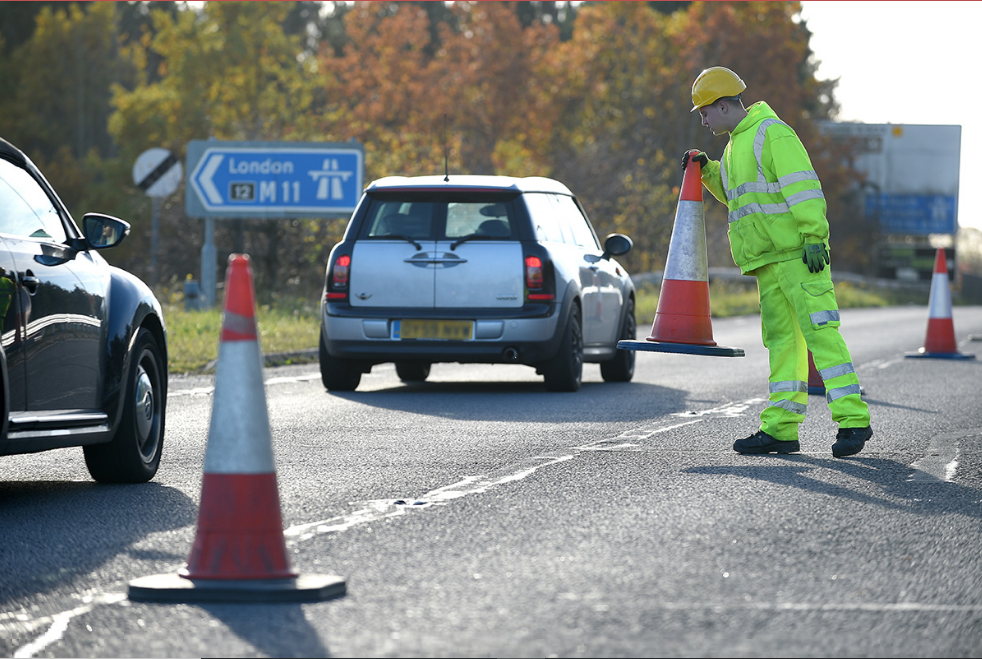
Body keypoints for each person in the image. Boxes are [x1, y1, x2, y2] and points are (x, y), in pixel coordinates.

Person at [682, 66, 872, 458]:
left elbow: (803, 187)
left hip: (800, 258)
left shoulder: (773, 133)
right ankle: (781, 430)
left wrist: (815, 236)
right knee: (782, 344)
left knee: (821, 335)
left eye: (704, 110)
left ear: (722, 105)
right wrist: (708, 171)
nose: (702, 118)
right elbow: (739, 196)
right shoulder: (735, 145)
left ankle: (853, 421)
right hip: (767, 262)